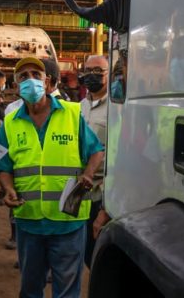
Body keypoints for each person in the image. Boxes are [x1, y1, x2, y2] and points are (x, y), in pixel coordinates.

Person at [0, 57, 105, 298]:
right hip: (29, 220)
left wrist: (87, 174)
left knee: (66, 291)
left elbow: (96, 150)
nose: (30, 80)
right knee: (30, 288)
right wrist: (8, 188)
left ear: (47, 82)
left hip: (68, 220)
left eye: (36, 74)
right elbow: (4, 166)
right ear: (16, 85)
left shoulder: (71, 114)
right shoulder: (10, 123)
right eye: (23, 76)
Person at [78, 55, 109, 268]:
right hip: (79, 194)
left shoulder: (118, 108)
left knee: (98, 258)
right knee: (83, 254)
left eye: (98, 71)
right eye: (88, 70)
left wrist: (106, 208)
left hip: (102, 194)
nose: (92, 75)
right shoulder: (78, 108)